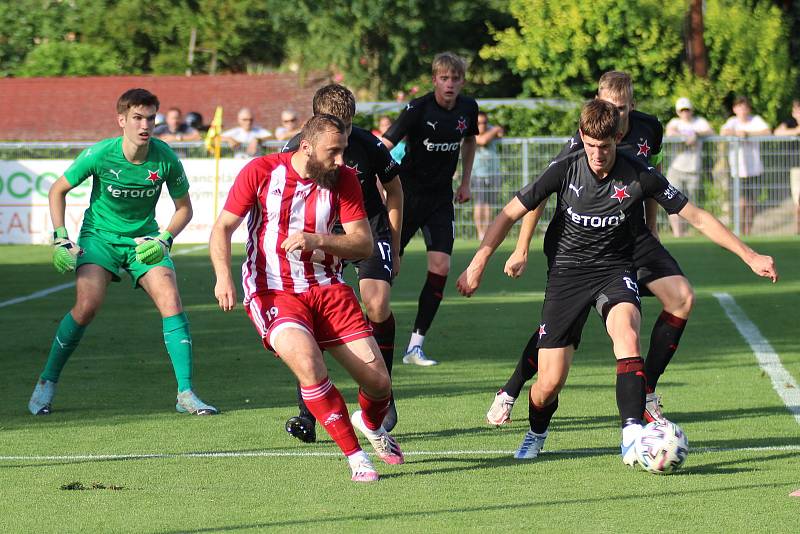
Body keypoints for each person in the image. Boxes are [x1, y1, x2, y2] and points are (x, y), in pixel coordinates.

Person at [457, 99, 777, 463]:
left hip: (614, 269)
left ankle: (631, 433)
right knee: (548, 385)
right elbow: (510, 212)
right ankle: (537, 431)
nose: (597, 154)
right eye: (591, 146)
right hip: (567, 273)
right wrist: (479, 261)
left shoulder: (639, 173)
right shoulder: (565, 167)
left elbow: (698, 217)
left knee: (626, 332)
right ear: (582, 137)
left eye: (605, 147)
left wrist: (749, 255)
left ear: (616, 139)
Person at [488, 71, 692, 428]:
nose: (618, 117)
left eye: (625, 109)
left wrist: (654, 229)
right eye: (612, 108)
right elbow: (536, 196)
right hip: (575, 244)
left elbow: (653, 177)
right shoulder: (583, 140)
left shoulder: (650, 130)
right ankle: (512, 388)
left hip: (629, 235)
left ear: (633, 105)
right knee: (558, 333)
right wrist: (521, 248)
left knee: (682, 298)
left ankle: (646, 392)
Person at [209, 114, 404, 483]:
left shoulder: (344, 179)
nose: (342, 160)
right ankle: (357, 457)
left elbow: (362, 243)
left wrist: (318, 240)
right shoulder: (261, 171)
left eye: (344, 150)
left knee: (380, 385)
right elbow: (222, 228)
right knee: (310, 366)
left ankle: (370, 424)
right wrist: (223, 277)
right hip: (273, 290)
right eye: (334, 152)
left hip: (328, 288)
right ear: (306, 147)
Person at [28, 88, 217, 416]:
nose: (145, 125)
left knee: (171, 301)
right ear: (121, 120)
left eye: (151, 118)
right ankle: (46, 383)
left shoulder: (165, 157)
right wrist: (60, 237)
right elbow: (57, 189)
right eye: (138, 118)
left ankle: (185, 393)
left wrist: (164, 239)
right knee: (87, 307)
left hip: (143, 243)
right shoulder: (100, 154)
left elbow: (184, 208)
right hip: (99, 238)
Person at [280, 84, 403, 442]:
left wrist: (394, 246)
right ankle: (307, 414)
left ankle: (384, 394)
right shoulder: (295, 148)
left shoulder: (369, 145)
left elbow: (394, 190)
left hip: (368, 228)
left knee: (377, 303)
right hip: (320, 232)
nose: (344, 139)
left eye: (349, 128)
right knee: (310, 311)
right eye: (338, 129)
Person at [381, 51, 479, 366]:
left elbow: (470, 141)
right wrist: (376, 179)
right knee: (388, 265)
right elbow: (384, 144)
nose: (450, 84)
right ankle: (365, 333)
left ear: (462, 81)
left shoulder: (468, 108)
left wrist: (464, 182)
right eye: (444, 78)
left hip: (440, 199)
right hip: (407, 197)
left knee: (441, 267)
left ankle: (415, 348)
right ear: (435, 79)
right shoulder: (417, 109)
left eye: (456, 79)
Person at [720, 96, 771, 235]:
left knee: (752, 203)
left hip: (754, 169)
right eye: (739, 107)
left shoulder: (755, 120)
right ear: (735, 109)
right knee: (741, 202)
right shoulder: (732, 122)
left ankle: (748, 231)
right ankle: (740, 230)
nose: (742, 110)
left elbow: (767, 131)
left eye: (745, 107)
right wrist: (737, 133)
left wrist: (748, 134)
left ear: (748, 109)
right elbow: (723, 132)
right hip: (738, 170)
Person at [665, 97, 715, 237]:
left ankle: (691, 231)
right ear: (678, 112)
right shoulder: (675, 122)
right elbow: (670, 131)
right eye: (682, 110)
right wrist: (685, 138)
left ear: (691, 110)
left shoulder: (699, 122)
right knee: (672, 202)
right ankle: (677, 234)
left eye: (687, 110)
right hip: (676, 169)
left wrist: (697, 135)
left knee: (692, 204)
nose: (685, 113)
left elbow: (710, 131)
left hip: (693, 170)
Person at [472, 111, 504, 240]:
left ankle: (487, 232)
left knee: (489, 204)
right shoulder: (471, 131)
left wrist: (496, 130)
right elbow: (483, 140)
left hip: (493, 172)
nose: (482, 126)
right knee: (479, 204)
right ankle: (480, 233)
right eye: (479, 123)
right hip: (477, 174)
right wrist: (495, 129)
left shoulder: (490, 129)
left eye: (485, 123)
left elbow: (501, 133)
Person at [773, 99, 800, 233]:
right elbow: (777, 132)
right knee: (797, 198)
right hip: (796, 167)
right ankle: (798, 228)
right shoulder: (790, 123)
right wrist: (795, 131)